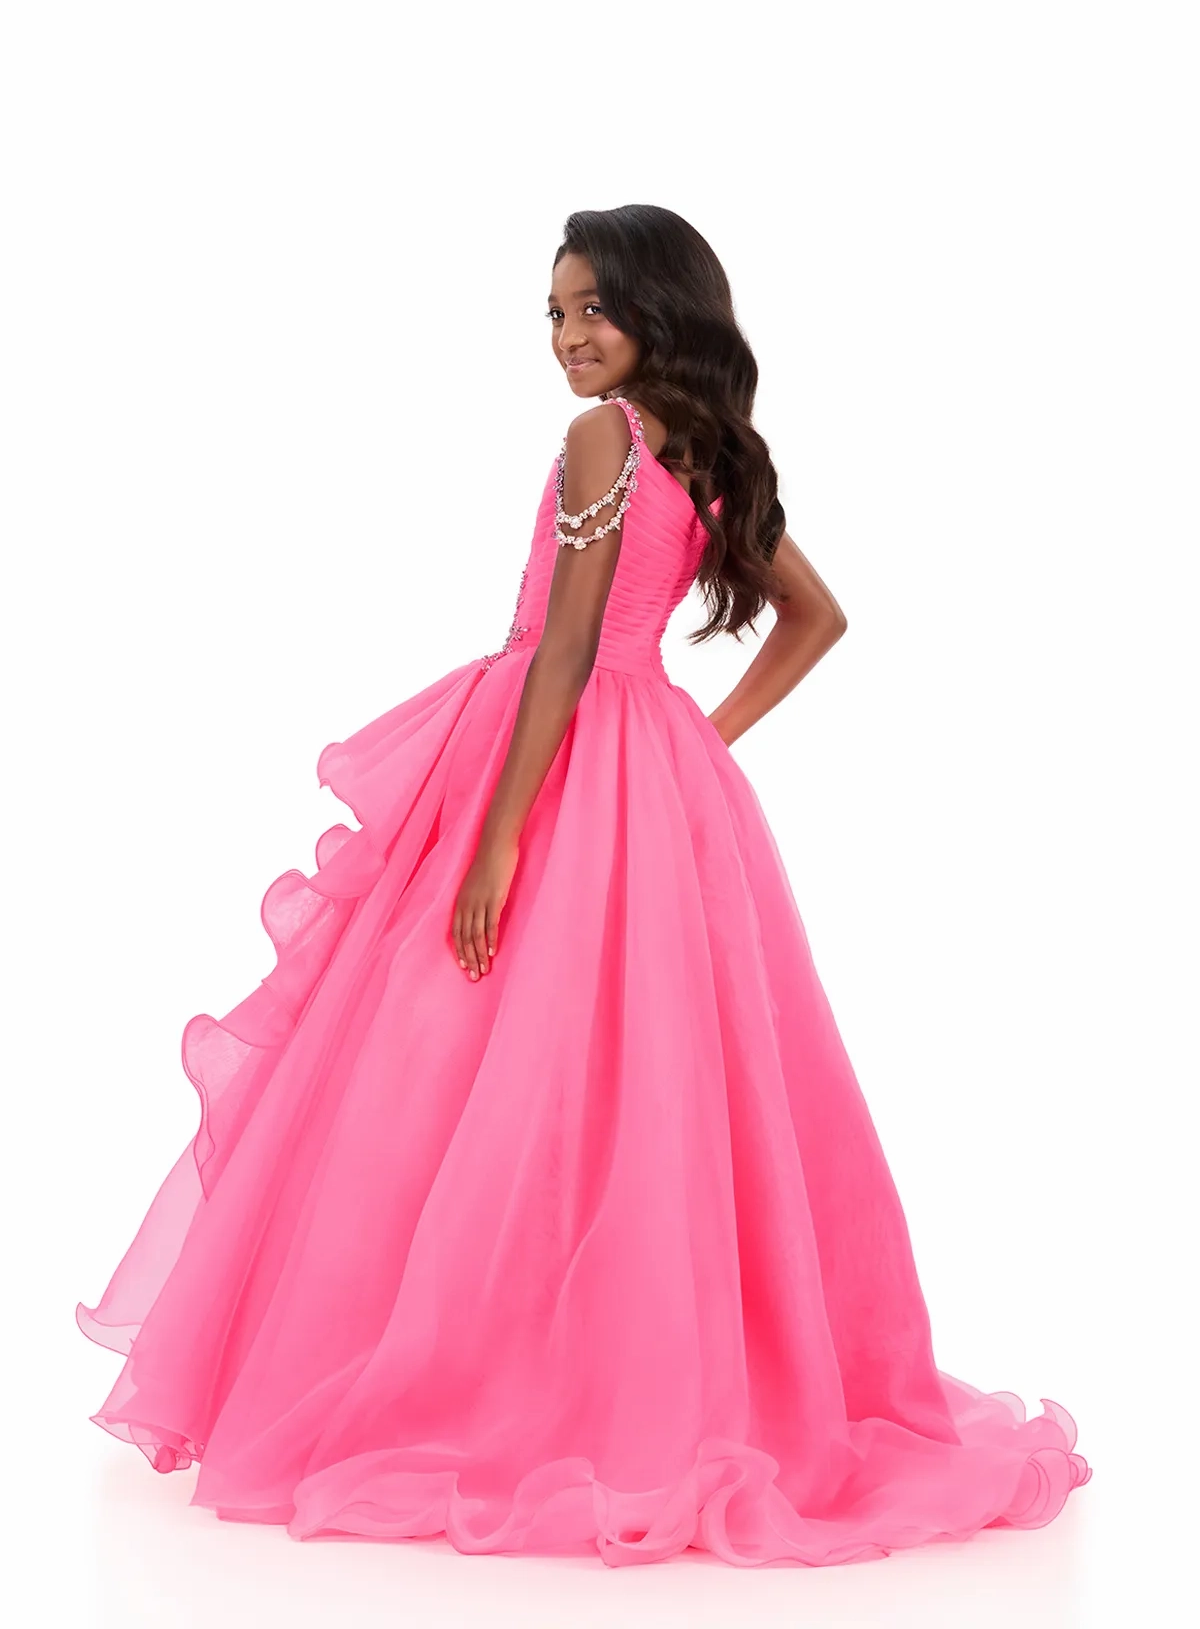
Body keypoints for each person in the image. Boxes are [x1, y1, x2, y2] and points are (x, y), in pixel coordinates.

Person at [77, 204, 1089, 1568]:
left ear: (657, 308)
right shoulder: (705, 452)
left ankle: (475, 1364)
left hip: (549, 755)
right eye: (553, 314)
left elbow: (562, 650)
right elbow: (816, 616)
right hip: (644, 768)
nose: (567, 337)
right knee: (630, 1074)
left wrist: (499, 839)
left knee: (457, 1047)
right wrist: (694, 737)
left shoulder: (606, 435)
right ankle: (604, 1365)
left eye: (592, 308)